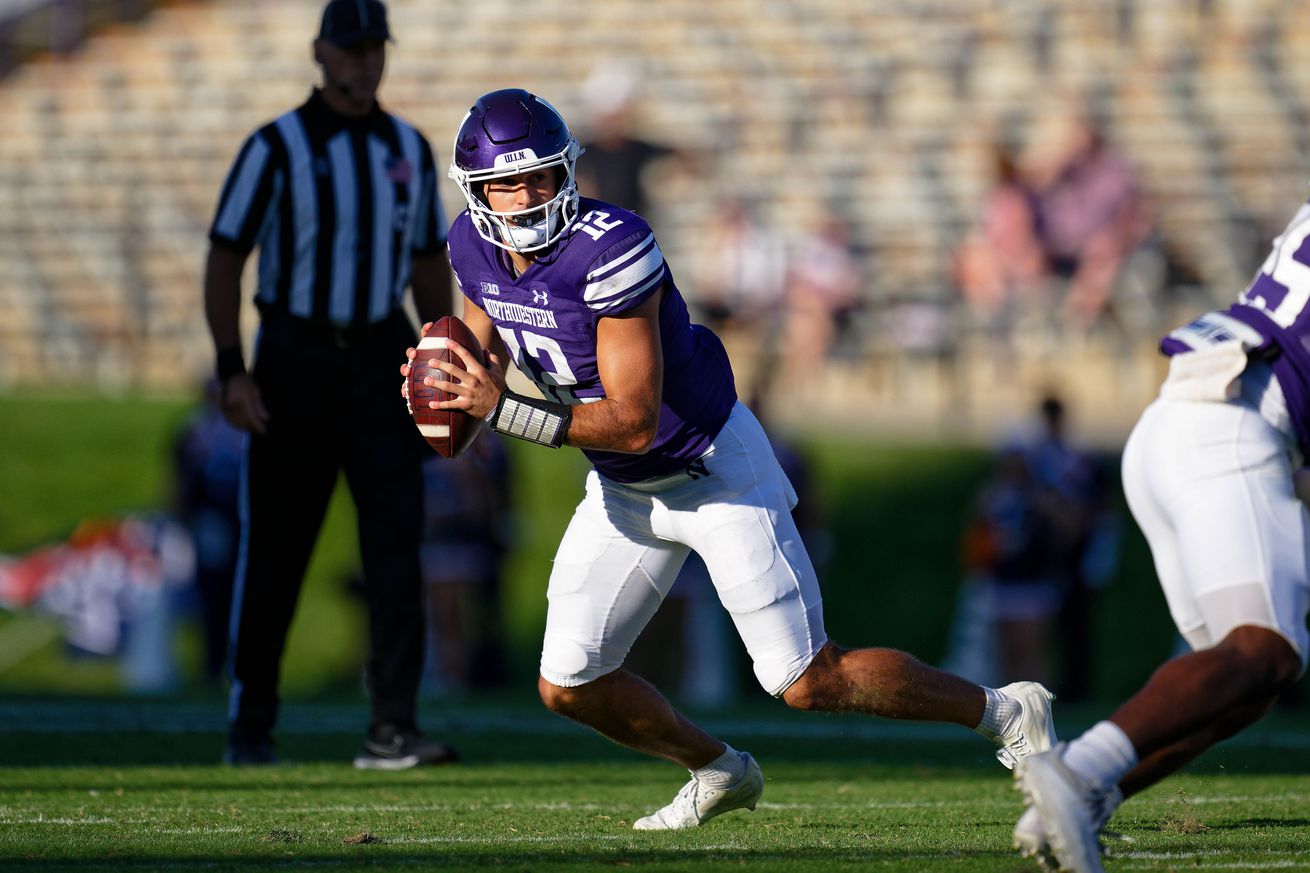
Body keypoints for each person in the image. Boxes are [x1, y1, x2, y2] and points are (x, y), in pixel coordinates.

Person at [401, 88, 1057, 829]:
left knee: (807, 679)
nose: (527, 197)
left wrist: (498, 408)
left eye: (543, 176)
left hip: (710, 471)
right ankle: (719, 768)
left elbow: (632, 421)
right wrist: (448, 392)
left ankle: (1004, 711)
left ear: (568, 173)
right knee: (569, 683)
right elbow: (482, 353)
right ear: (476, 189)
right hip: (623, 492)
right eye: (508, 182)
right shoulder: (470, 245)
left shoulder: (612, 246)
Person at [1012, 197, 1310, 871]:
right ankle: (1079, 767)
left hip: (1179, 422)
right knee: (1268, 650)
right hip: (1232, 429)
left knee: (1243, 682)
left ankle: (1084, 796)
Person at [204, 0, 457, 769]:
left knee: (396, 546)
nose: (362, 62)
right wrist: (231, 368)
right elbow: (226, 256)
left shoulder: (407, 146)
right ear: (320, 51)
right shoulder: (275, 147)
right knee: (276, 549)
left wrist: (440, 356)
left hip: (378, 358)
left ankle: (392, 725)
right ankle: (251, 720)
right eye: (350, 49)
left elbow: (423, 262)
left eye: (373, 48)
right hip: (293, 358)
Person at [172, 379, 245, 684]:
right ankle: (215, 664)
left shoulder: (239, 427)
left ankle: (224, 664)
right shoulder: (196, 430)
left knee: (232, 597)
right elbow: (179, 482)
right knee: (216, 597)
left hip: (235, 520)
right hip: (213, 519)